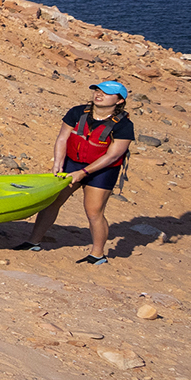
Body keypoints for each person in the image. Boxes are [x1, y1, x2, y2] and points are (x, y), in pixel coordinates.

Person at [18, 81, 136, 263]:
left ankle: (97, 254)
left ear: (119, 101)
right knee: (52, 202)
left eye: (106, 93)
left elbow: (113, 156)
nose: (99, 94)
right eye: (97, 90)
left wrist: (83, 173)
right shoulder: (77, 112)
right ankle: (33, 241)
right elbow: (62, 138)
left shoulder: (124, 125)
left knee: (93, 211)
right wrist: (58, 163)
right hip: (72, 163)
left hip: (102, 170)